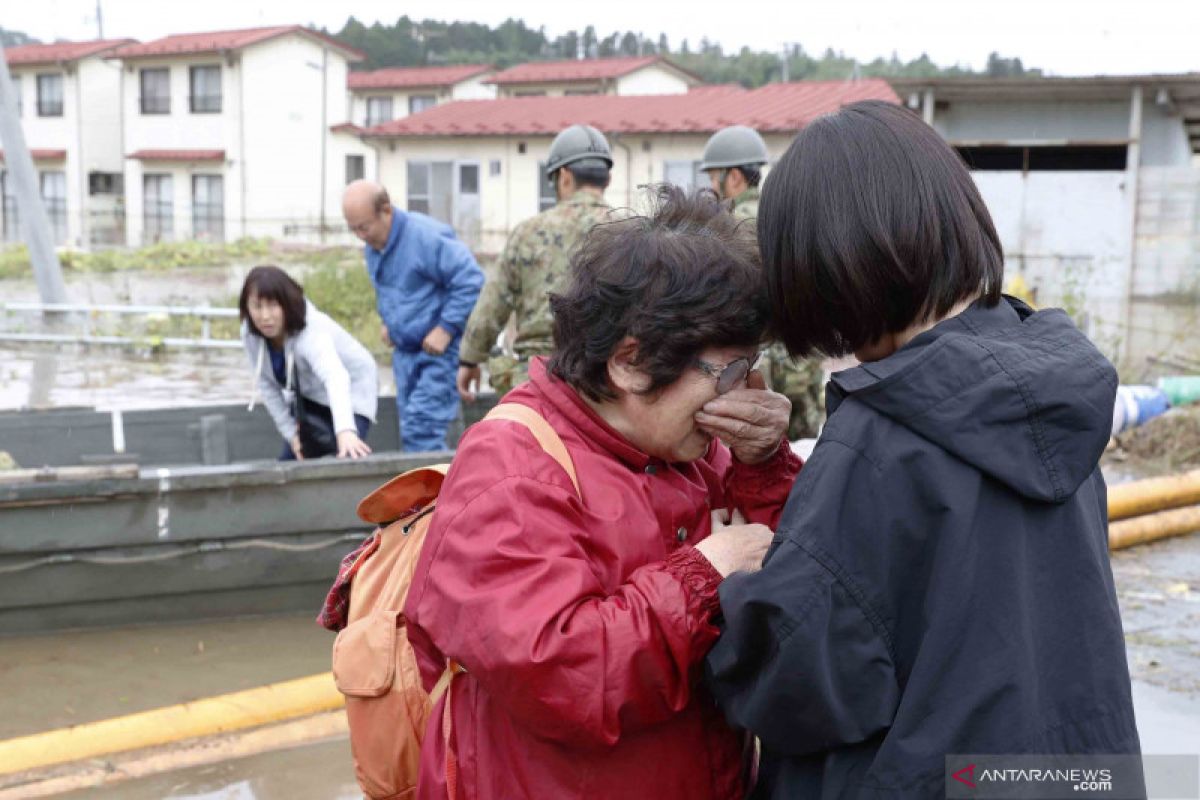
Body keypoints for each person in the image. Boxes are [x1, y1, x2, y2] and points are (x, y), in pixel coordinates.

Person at [706, 101, 1141, 798]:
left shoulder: (884, 435)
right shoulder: (1056, 394)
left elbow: (797, 681)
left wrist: (727, 583)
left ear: (829, 265)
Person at [404, 187, 802, 799]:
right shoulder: (510, 471)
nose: (740, 394)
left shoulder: (694, 449)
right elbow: (564, 678)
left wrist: (765, 464)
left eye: (750, 368)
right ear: (630, 362)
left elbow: (807, 579)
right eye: (725, 372)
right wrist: (702, 574)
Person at [457, 124, 616, 401]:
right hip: (608, 381)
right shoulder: (633, 234)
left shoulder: (528, 233)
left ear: (564, 177)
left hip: (540, 379)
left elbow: (492, 305)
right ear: (607, 179)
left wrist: (470, 359)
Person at [700, 125, 825, 440]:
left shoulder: (723, 228)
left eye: (714, 178)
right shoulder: (787, 217)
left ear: (735, 178)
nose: (712, 187)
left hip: (756, 370)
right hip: (803, 362)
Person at [342, 180, 484, 452]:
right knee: (410, 430)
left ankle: (437, 494)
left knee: (422, 431)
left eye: (364, 226)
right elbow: (393, 289)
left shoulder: (425, 237)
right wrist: (389, 323)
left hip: (437, 355)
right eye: (353, 229)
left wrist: (446, 327)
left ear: (386, 210)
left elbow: (471, 280)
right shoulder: (375, 248)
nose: (360, 235)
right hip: (404, 355)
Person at [240, 265, 376, 460]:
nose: (265, 316)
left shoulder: (311, 330)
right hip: (308, 395)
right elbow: (267, 385)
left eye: (272, 305)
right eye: (257, 306)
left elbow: (335, 377)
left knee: (347, 455)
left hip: (351, 389)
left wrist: (345, 431)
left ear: (286, 304)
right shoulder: (250, 333)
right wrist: (292, 435)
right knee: (291, 462)